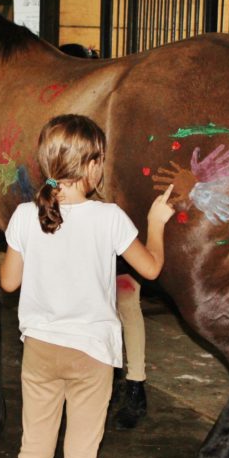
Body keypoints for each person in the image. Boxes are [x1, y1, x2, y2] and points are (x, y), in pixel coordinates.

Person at [0, 114, 174, 458]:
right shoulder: (110, 218)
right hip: (92, 353)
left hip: (40, 350)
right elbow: (152, 269)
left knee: (33, 452)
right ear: (93, 166)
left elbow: (9, 282)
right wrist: (156, 222)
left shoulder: (23, 216)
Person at [58, 43, 150, 431]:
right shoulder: (76, 135)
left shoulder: (112, 125)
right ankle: (119, 378)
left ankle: (137, 381)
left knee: (127, 299)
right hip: (93, 231)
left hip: (113, 229)